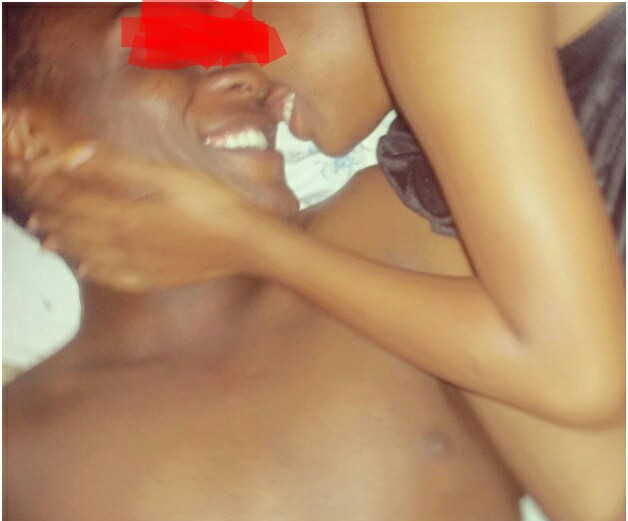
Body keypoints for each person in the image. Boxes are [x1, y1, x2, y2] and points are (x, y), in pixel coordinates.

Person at [4, 3, 624, 521]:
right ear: (27, 140)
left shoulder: (406, 231)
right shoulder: (17, 452)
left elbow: (607, 507)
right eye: (163, 47)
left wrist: (254, 242)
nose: (245, 73)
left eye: (226, 43)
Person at [31, 3, 625, 428]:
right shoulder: (420, 172)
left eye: (231, 26)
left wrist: (254, 243)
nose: (245, 74)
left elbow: (578, 372)